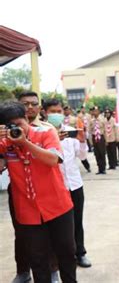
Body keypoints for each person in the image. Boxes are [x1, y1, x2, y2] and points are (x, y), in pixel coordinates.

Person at [0, 101, 77, 283]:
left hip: (58, 207)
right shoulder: (4, 143)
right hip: (27, 213)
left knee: (66, 254)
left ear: (27, 118)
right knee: (38, 260)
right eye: (10, 127)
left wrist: (25, 143)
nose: (16, 130)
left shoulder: (46, 133)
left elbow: (53, 159)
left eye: (19, 125)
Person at [44, 99, 93, 269]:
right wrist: (55, 138)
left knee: (77, 221)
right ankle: (61, 259)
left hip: (75, 184)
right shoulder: (42, 133)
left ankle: (80, 253)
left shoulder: (71, 132)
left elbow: (81, 155)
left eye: (59, 111)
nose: (57, 114)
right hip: (56, 187)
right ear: (45, 113)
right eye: (52, 111)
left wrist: (82, 139)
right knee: (59, 226)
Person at [88, 106, 107, 174]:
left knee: (102, 153)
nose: (94, 112)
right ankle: (99, 168)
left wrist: (106, 140)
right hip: (94, 138)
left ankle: (103, 168)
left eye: (96, 111)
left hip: (101, 138)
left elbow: (105, 131)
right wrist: (90, 142)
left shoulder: (103, 119)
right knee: (97, 154)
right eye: (93, 111)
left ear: (99, 111)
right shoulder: (91, 121)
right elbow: (89, 132)